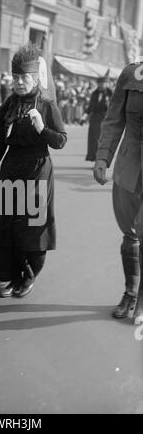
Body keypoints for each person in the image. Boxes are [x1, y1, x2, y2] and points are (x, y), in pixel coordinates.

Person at [0, 43, 67, 298]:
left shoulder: (47, 105)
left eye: (23, 77)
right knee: (8, 224)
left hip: (38, 172)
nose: (18, 82)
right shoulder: (10, 105)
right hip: (11, 171)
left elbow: (60, 140)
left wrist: (42, 129)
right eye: (15, 77)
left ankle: (27, 276)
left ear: (35, 77)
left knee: (31, 228)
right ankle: (6, 275)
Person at [93, 60, 143, 325]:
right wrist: (103, 157)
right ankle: (130, 292)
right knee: (130, 232)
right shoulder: (131, 73)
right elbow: (114, 118)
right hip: (129, 165)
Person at [85, 72, 112, 162]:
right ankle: (94, 158)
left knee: (101, 140)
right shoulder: (94, 93)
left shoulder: (111, 93)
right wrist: (84, 116)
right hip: (94, 119)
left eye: (103, 83)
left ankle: (100, 161)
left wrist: (109, 105)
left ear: (107, 84)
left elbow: (115, 107)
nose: (100, 85)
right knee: (93, 140)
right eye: (99, 84)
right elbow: (90, 107)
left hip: (105, 119)